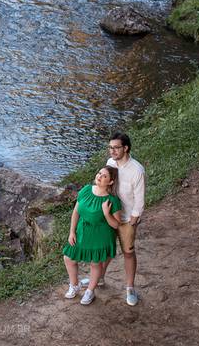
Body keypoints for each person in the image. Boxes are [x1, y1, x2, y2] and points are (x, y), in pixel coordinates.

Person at [61, 166, 122, 305]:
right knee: (69, 258)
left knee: (95, 263)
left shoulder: (112, 200)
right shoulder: (86, 190)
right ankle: (74, 285)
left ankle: (90, 291)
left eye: (104, 176)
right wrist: (72, 232)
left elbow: (116, 225)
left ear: (111, 182)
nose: (99, 176)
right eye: (99, 173)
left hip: (101, 235)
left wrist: (106, 213)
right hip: (82, 232)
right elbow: (76, 212)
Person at [105, 131, 145, 306]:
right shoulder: (110, 163)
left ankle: (130, 287)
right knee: (105, 249)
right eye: (110, 148)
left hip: (127, 218)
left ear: (126, 148)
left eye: (116, 148)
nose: (112, 151)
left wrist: (133, 221)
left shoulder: (137, 170)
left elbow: (140, 200)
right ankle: (97, 278)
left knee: (128, 253)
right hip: (109, 214)